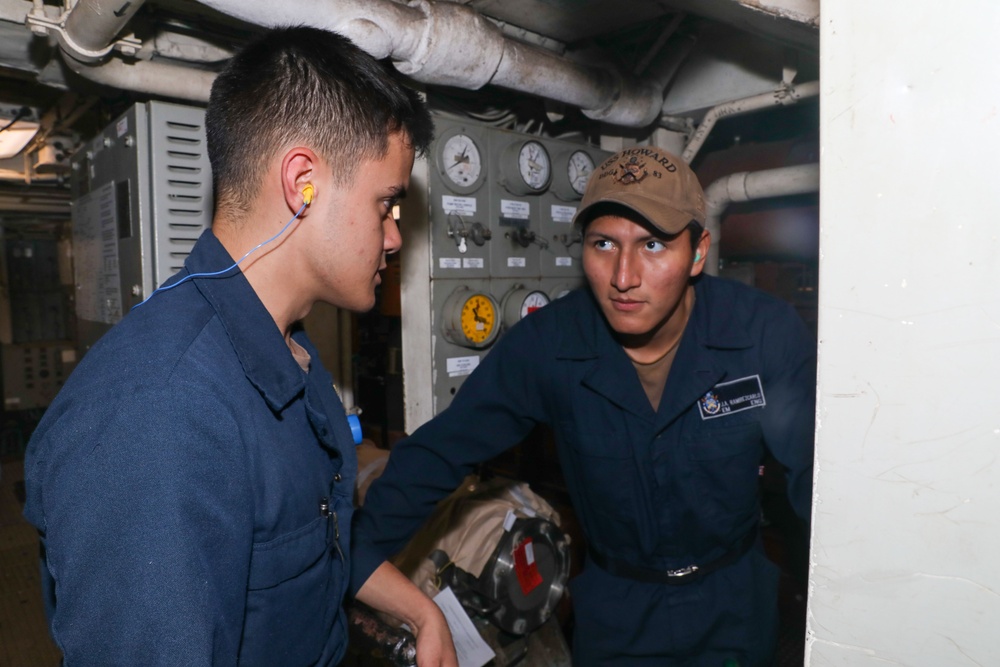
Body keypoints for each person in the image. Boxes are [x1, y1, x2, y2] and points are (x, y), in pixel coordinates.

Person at [23, 26, 456, 667]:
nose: (394, 238)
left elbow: (313, 537)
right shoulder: (156, 417)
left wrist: (420, 609)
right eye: (386, 203)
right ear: (302, 182)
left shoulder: (288, 349)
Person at [351, 146, 816, 665]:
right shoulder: (549, 345)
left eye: (654, 246)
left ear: (699, 251)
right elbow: (441, 452)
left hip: (735, 602)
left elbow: (815, 480)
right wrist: (354, 560)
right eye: (603, 244)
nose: (623, 276)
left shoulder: (763, 334)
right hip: (619, 611)